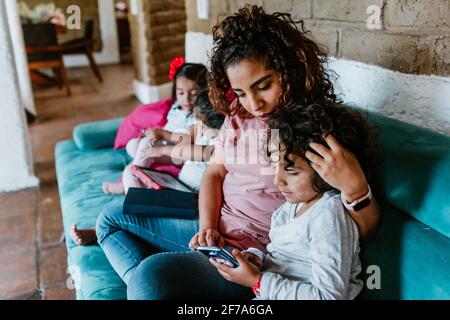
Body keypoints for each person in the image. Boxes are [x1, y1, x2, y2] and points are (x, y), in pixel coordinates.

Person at [98, 5, 380, 299]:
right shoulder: (238, 115)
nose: (254, 104)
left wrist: (356, 188)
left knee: (150, 278)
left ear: (291, 68)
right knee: (110, 218)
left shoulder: (310, 128)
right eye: (242, 92)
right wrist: (207, 228)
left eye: (264, 86)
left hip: (251, 250)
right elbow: (215, 172)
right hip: (207, 223)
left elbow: (353, 229)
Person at [208, 101, 377, 300]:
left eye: (291, 170)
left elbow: (330, 297)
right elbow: (284, 256)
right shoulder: (290, 208)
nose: (277, 179)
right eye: (275, 165)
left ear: (326, 170)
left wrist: (258, 282)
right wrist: (257, 258)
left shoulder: (328, 215)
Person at [70, 90, 224, 246]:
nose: (200, 127)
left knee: (142, 204)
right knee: (132, 173)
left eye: (203, 124)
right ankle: (135, 204)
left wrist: (163, 150)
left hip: (191, 197)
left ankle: (98, 230)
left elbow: (201, 153)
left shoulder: (222, 142)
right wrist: (163, 136)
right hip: (176, 185)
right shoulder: (201, 130)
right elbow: (184, 140)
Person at [102, 58, 208, 195]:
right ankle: (138, 173)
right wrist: (152, 134)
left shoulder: (197, 115)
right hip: (164, 143)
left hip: (176, 153)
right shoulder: (176, 107)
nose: (186, 99)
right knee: (133, 144)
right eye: (181, 93)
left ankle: (132, 181)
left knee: (143, 148)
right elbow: (168, 126)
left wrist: (162, 134)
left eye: (193, 94)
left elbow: (188, 141)